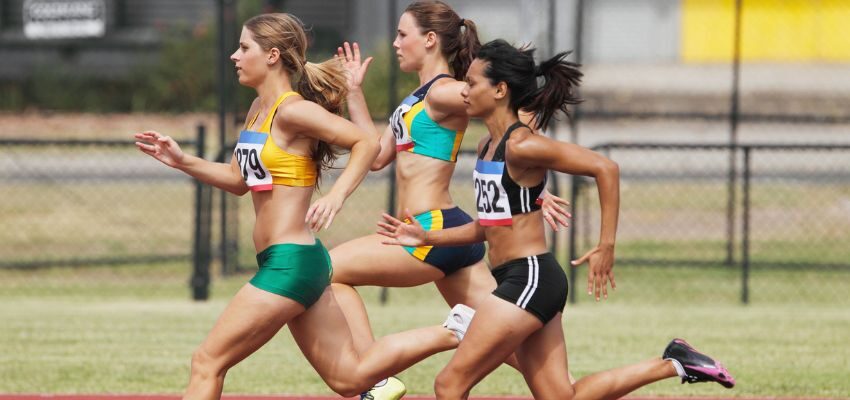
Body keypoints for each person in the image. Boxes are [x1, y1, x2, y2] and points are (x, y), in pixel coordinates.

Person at [134, 13, 472, 400]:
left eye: (244, 48)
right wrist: (182, 161)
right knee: (350, 379)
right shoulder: (258, 111)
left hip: (289, 263)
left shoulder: (293, 111)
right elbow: (239, 182)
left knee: (207, 362)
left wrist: (336, 195)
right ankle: (457, 328)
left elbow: (364, 143)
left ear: (273, 55)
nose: (234, 56)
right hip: (296, 262)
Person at [378, 39, 736, 399]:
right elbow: (489, 228)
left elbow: (605, 167)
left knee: (449, 384)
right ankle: (675, 362)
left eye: (472, 83)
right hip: (521, 278)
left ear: (500, 90)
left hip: (529, 277)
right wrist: (427, 238)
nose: (465, 91)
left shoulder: (522, 145)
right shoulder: (489, 146)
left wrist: (605, 246)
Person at [328, 3, 571, 396]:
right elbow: (375, 157)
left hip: (433, 228)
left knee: (327, 270)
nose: (395, 43)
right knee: (516, 355)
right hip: (450, 232)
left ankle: (375, 379)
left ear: (429, 40)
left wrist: (533, 188)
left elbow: (514, 110)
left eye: (402, 35)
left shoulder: (443, 91)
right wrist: (354, 93)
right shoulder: (419, 96)